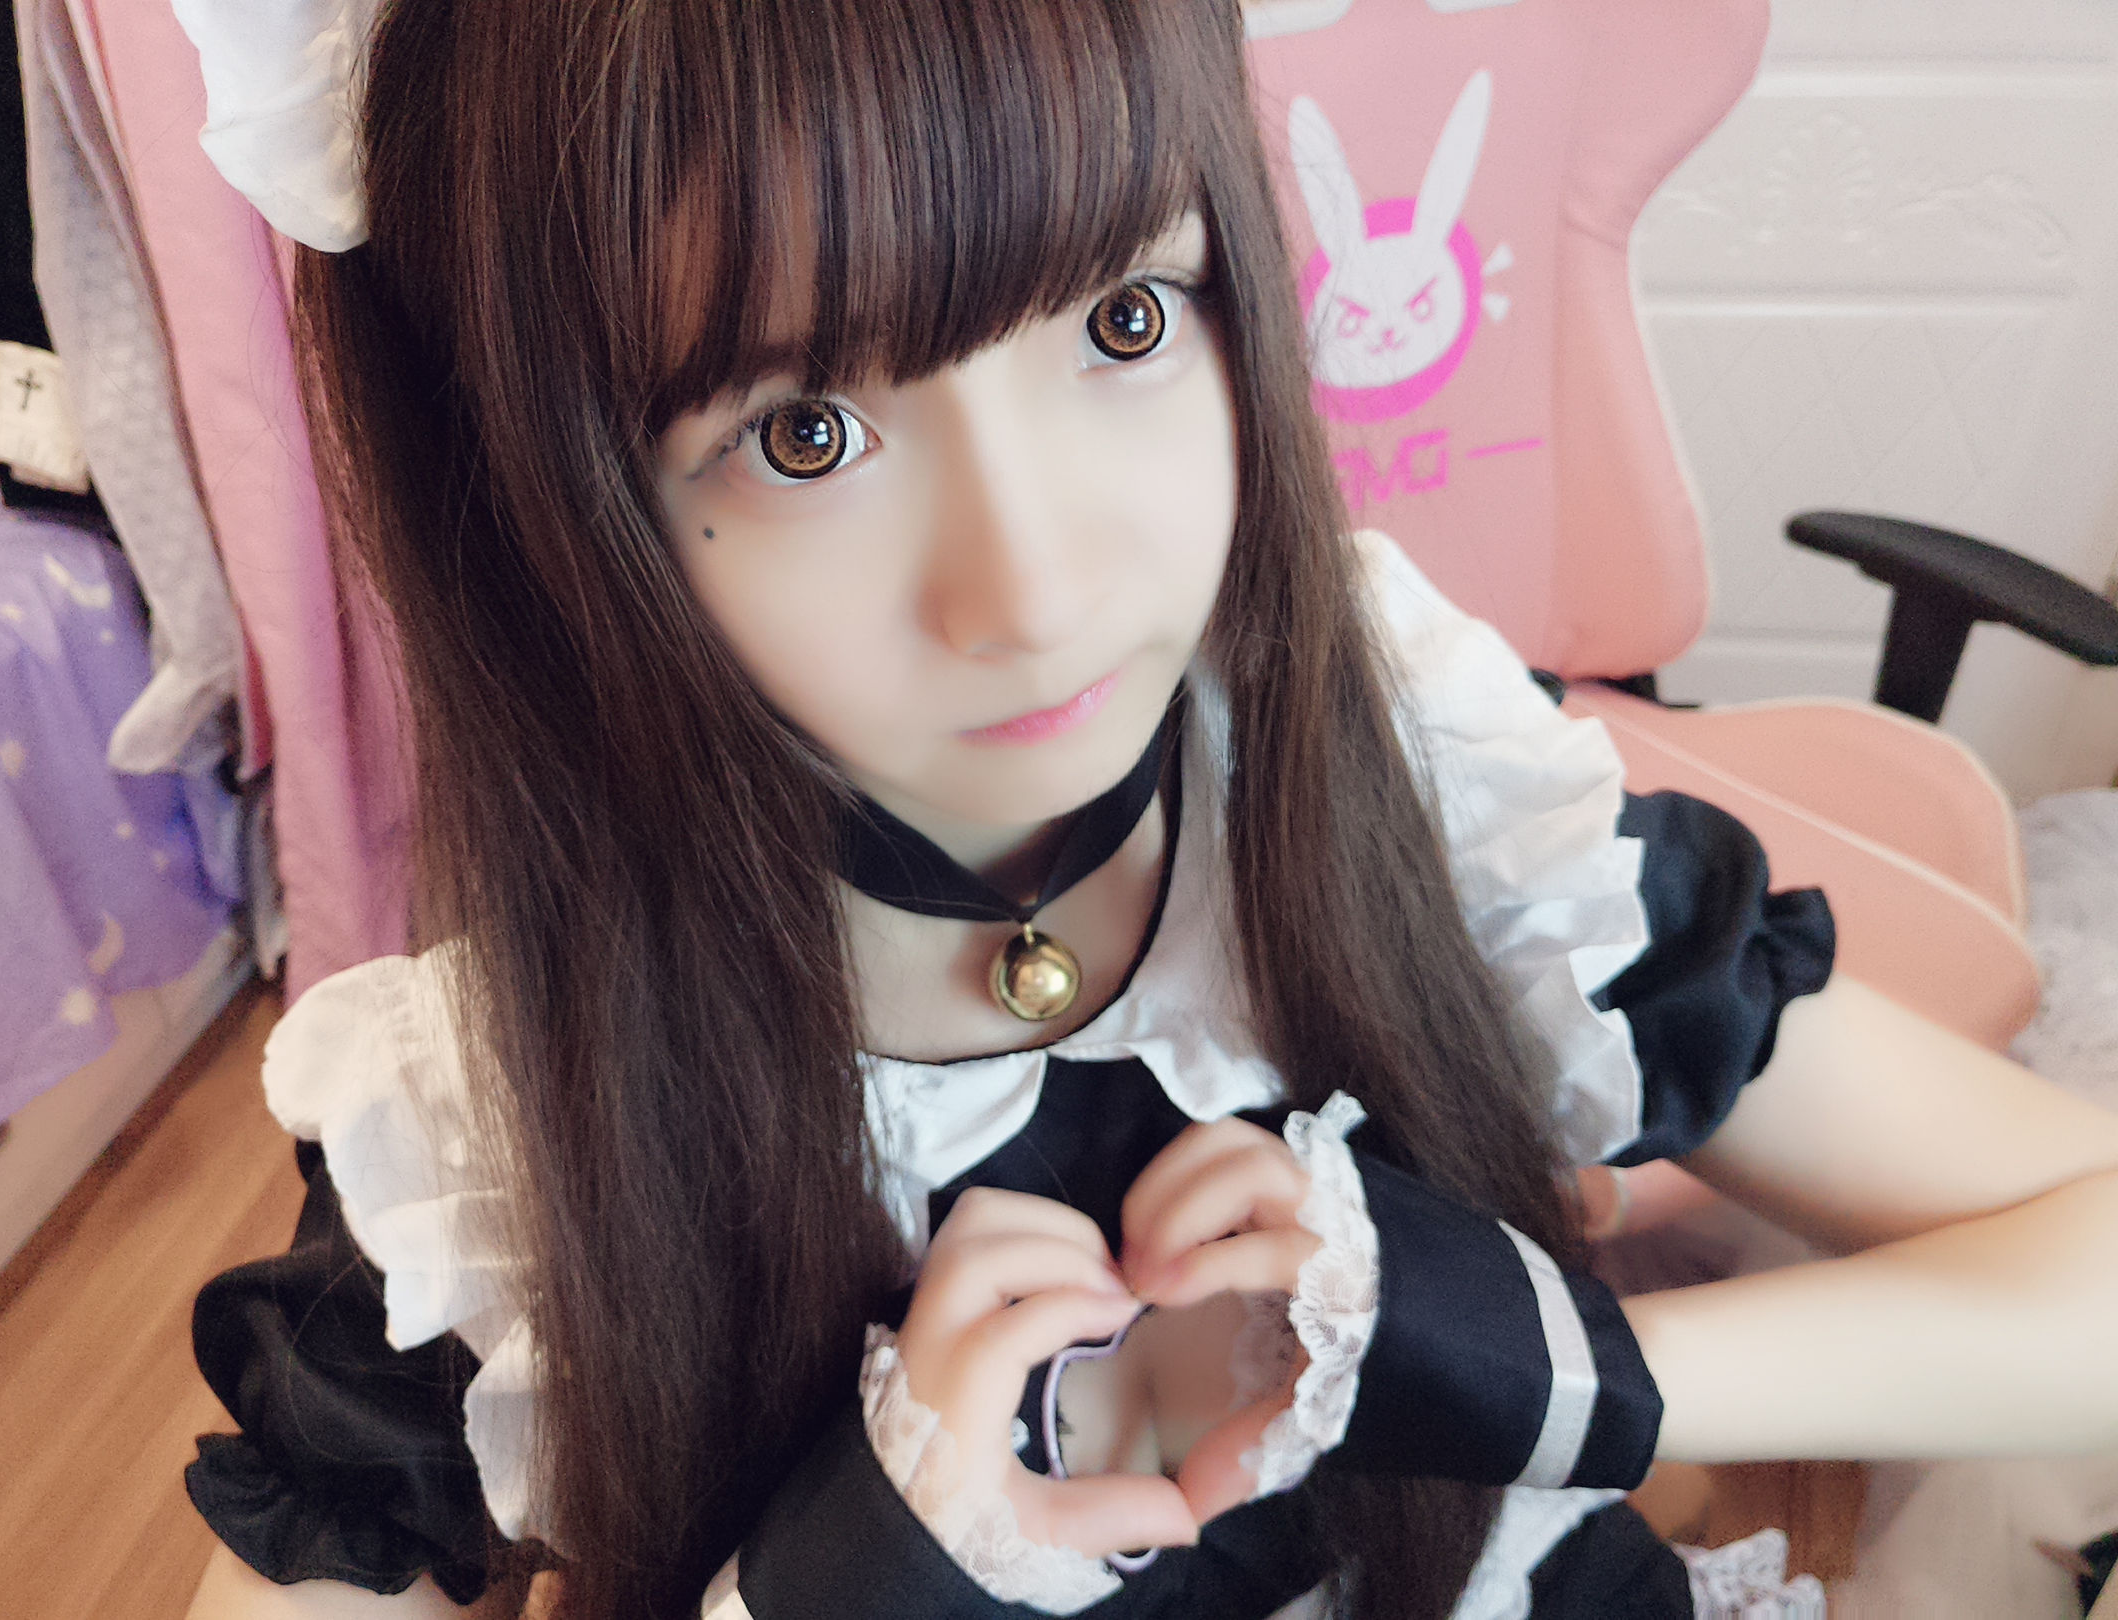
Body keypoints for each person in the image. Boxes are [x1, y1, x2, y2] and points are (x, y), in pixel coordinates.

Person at [172, 1, 2118, 1616]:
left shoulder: (1413, 780)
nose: (1040, 587)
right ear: (545, 499)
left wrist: (1573, 1373)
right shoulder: (487, 1138)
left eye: (1122, 320)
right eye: (804, 432)